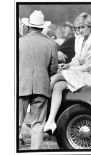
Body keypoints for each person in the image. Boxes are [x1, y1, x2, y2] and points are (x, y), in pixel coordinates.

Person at [43, 12, 91, 134]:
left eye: (82, 27)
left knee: (56, 77)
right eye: (78, 28)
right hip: (81, 71)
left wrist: (69, 70)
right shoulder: (78, 39)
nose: (80, 30)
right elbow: (77, 59)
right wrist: (68, 65)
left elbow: (89, 66)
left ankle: (37, 109)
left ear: (90, 27)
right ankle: (50, 121)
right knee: (58, 86)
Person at [19, 10, 58, 149]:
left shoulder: (18, 42)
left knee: (15, 122)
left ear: (28, 26)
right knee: (38, 124)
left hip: (21, 85)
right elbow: (53, 69)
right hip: (42, 86)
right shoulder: (51, 43)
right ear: (42, 27)